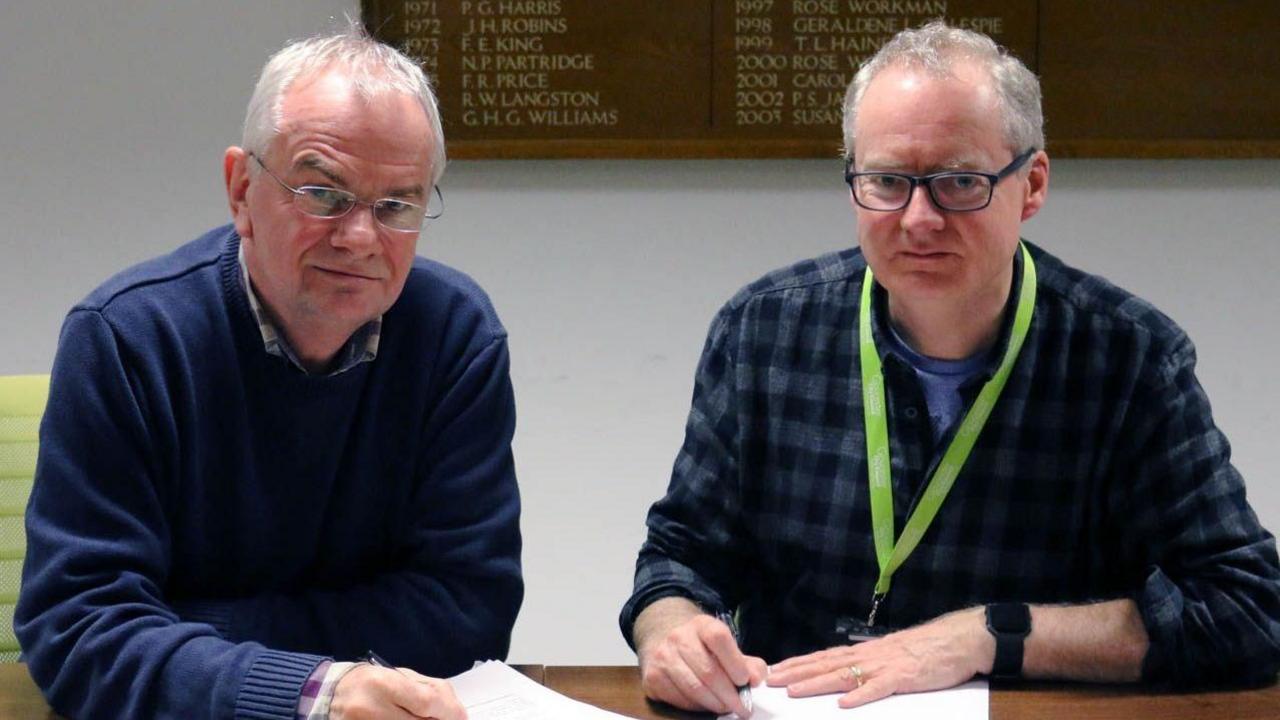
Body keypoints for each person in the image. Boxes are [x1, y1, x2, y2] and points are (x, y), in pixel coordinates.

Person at [621, 20, 1280, 716]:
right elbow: (678, 558)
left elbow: (1247, 611)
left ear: (1031, 186)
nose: (919, 219)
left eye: (958, 182)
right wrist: (669, 629)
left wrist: (990, 633)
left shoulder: (1127, 357)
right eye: (885, 181)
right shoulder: (763, 331)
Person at [16, 27, 522, 720]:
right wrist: (311, 692)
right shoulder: (126, 340)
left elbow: (471, 611)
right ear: (240, 188)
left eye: (397, 204)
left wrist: (194, 631)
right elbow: (79, 631)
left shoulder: (455, 338)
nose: (360, 238)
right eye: (323, 193)